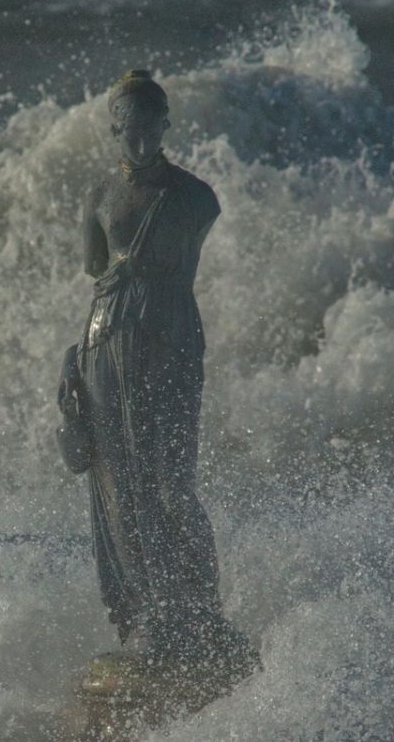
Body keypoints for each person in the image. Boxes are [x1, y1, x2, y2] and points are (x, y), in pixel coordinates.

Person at [69, 69, 257, 694]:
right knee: (120, 484)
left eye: (155, 125)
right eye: (131, 126)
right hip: (106, 340)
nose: (144, 137)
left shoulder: (194, 197)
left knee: (171, 478)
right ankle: (145, 620)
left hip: (171, 337)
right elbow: (94, 265)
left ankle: (203, 612)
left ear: (167, 126)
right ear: (115, 127)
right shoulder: (96, 193)